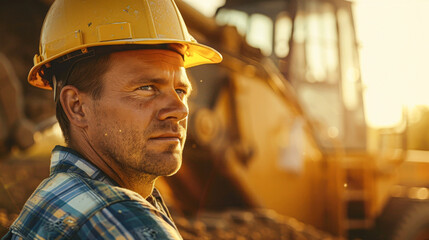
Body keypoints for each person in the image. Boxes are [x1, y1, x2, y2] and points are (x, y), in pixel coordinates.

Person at [2, 0, 221, 239]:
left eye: (180, 91)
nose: (180, 109)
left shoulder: (51, 198)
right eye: (146, 88)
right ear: (77, 107)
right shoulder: (129, 227)